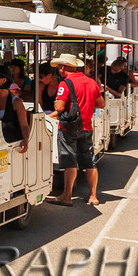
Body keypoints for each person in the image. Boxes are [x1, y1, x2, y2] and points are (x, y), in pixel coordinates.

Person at [49, 53, 101, 206]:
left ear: (63, 67)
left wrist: (56, 105)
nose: (58, 70)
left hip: (69, 127)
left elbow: (59, 107)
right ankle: (93, 196)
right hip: (86, 126)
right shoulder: (91, 82)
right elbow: (101, 103)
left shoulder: (65, 84)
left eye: (59, 67)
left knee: (70, 161)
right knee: (90, 161)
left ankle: (67, 196)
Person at [0, 64, 30, 153]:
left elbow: (24, 125)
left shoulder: (16, 102)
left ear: (4, 80)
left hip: (7, 144)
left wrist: (26, 141)